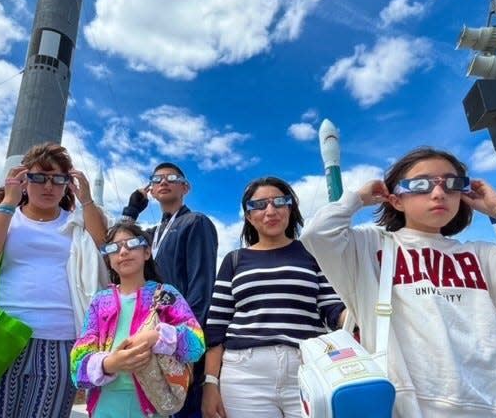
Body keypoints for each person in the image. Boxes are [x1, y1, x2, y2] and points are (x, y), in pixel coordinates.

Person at [300, 147, 496, 418]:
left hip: (489, 405)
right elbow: (317, 234)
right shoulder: (368, 247)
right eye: (421, 184)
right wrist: (357, 198)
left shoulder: (481, 256)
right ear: (395, 198)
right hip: (404, 405)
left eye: (452, 184)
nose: (438, 192)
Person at [0, 142, 110, 418]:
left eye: (58, 179)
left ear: (68, 183)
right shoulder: (2, 217)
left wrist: (88, 200)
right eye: (38, 178)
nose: (48, 187)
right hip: (0, 334)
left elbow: (104, 251)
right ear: (23, 179)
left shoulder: (76, 223)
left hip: (61, 339)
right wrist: (8, 202)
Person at [202, 176, 346, 418]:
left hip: (308, 369)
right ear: (249, 216)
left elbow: (332, 308)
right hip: (244, 376)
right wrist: (210, 383)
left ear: (290, 208)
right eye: (259, 205)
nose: (270, 211)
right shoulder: (234, 260)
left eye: (279, 202)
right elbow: (216, 327)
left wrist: (363, 313)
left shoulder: (312, 253)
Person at [71, 222, 206, 417]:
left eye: (132, 243)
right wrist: (109, 364)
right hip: (105, 405)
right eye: (114, 248)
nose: (123, 251)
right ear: (109, 260)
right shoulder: (100, 301)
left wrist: (156, 337)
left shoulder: (166, 295)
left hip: (153, 404)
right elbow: (77, 363)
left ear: (147, 252)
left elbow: (196, 344)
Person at [121, 162, 218, 418]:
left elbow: (202, 285)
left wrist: (189, 340)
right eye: (157, 179)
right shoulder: (152, 235)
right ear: (151, 190)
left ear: (185, 187)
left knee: (185, 409)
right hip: (153, 338)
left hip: (182, 340)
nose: (164, 182)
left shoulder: (195, 222)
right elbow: (117, 248)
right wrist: (132, 211)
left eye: (172, 178)